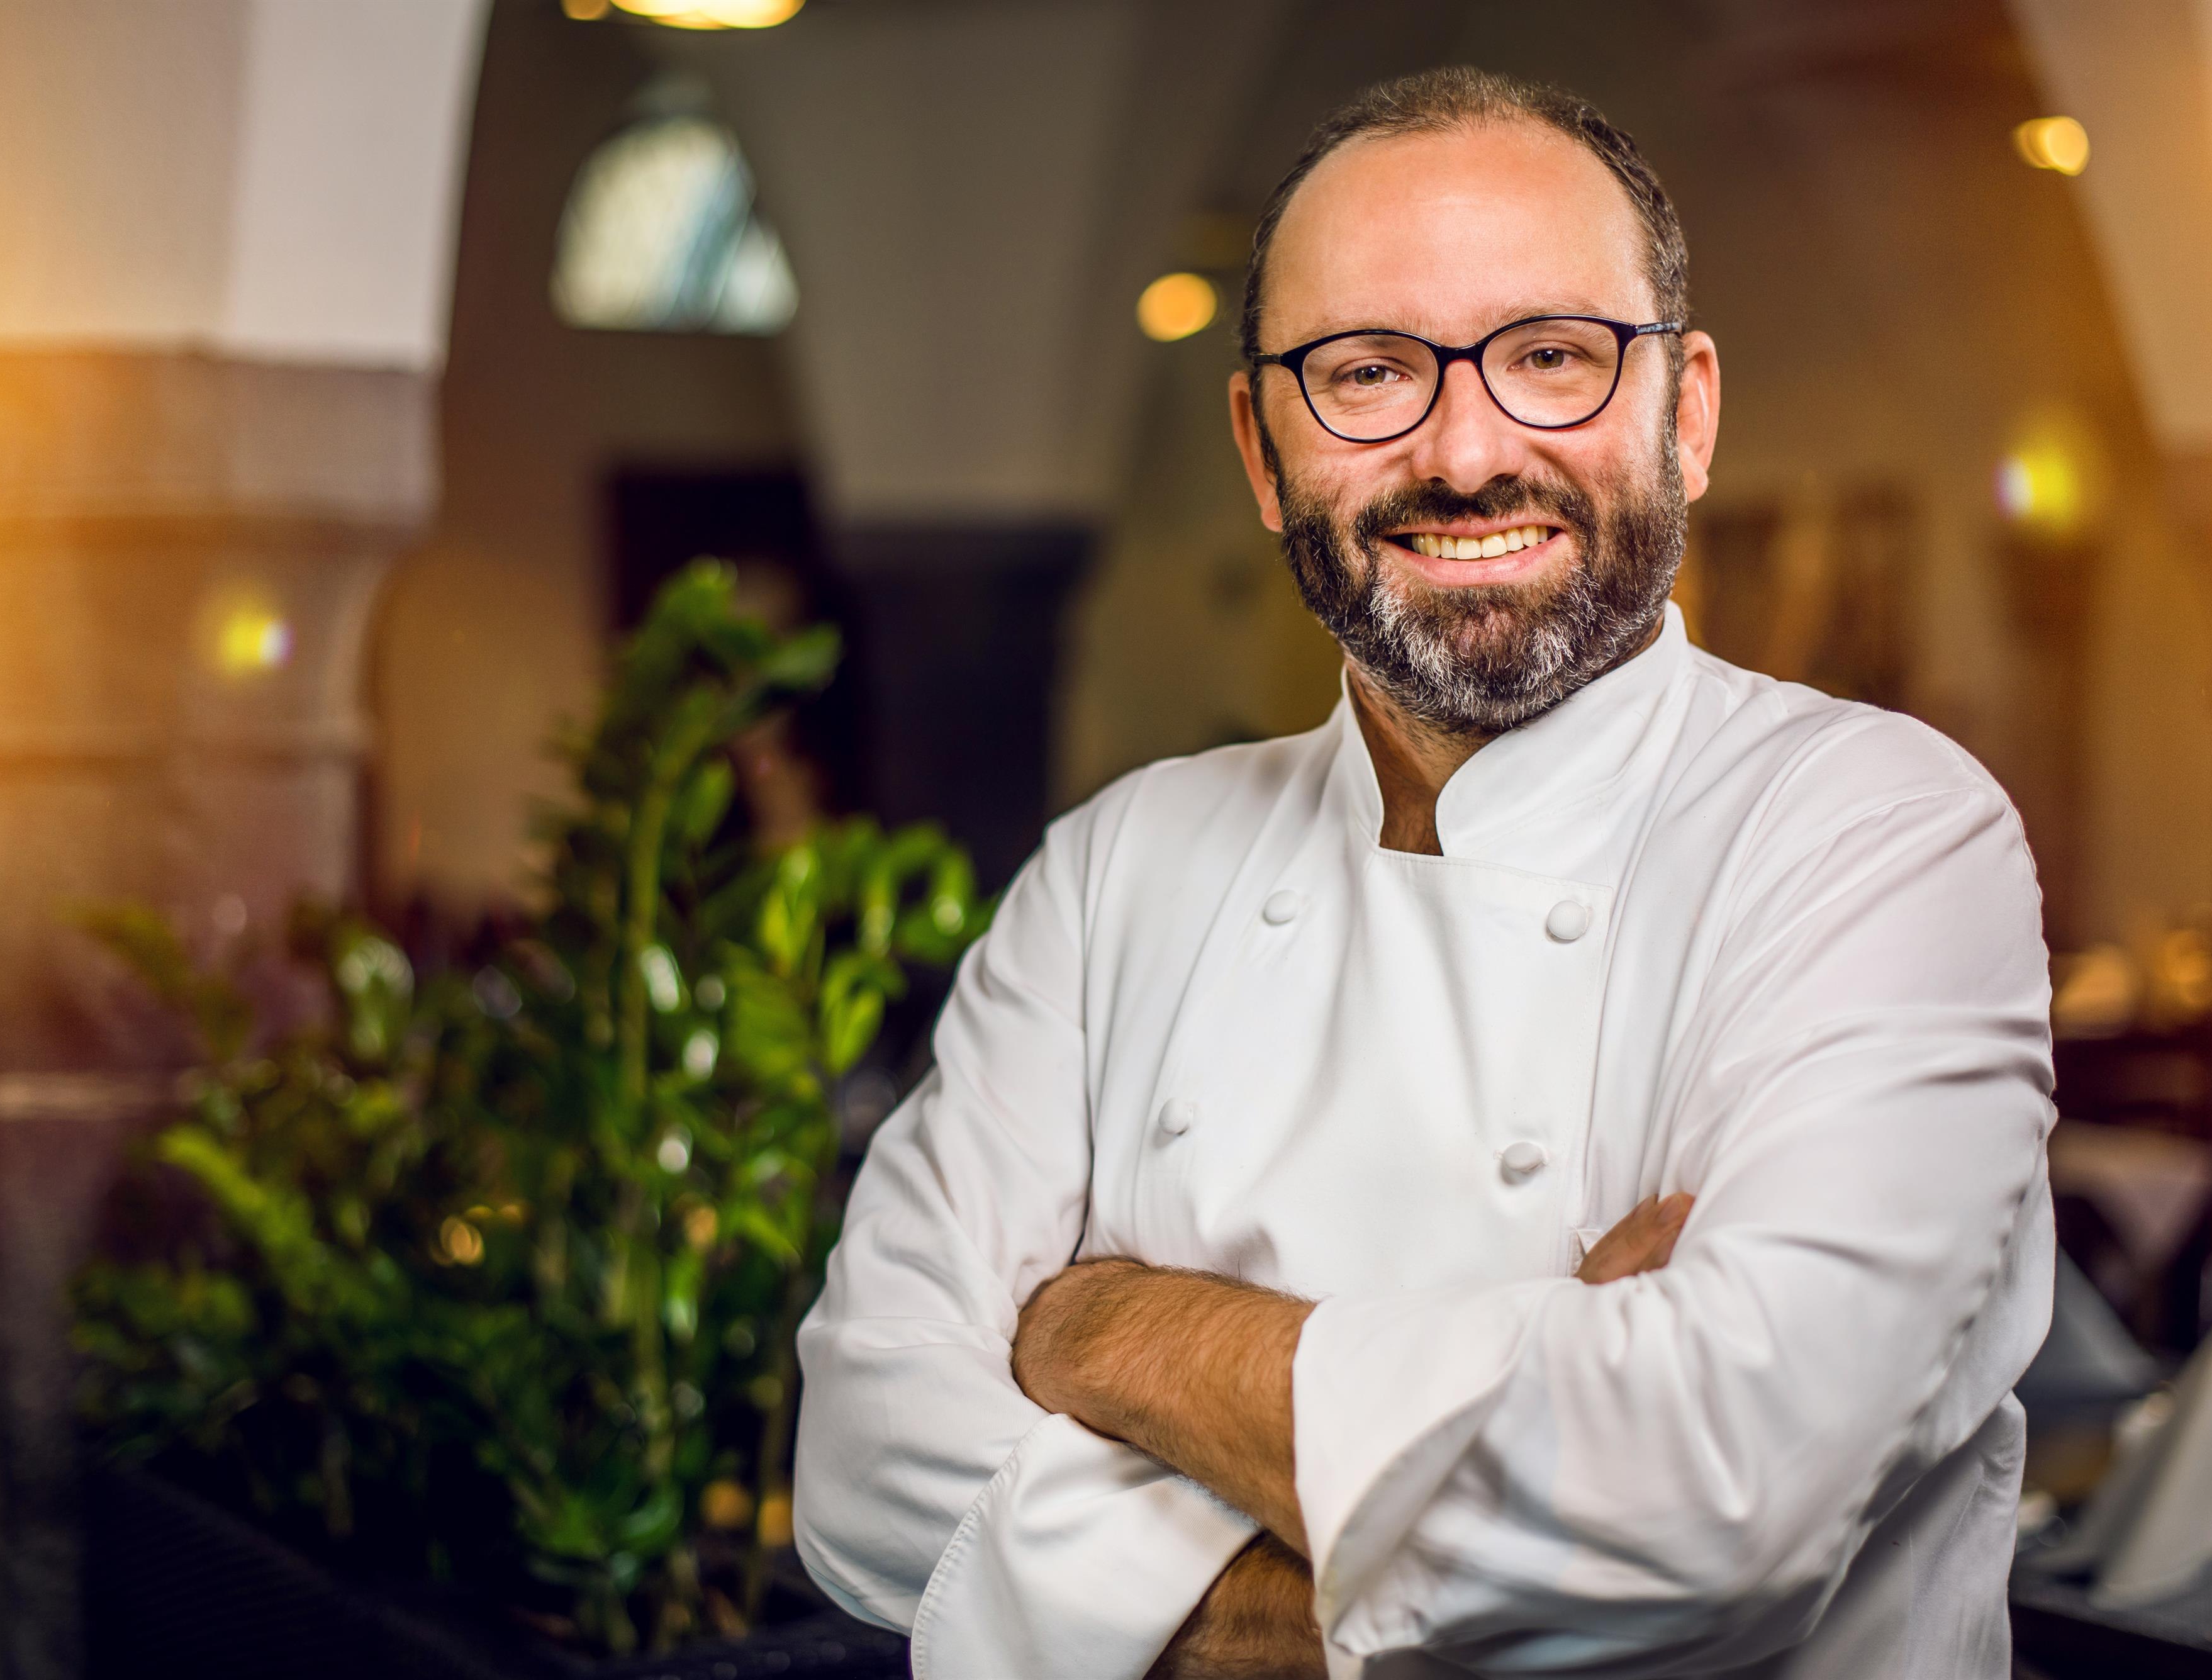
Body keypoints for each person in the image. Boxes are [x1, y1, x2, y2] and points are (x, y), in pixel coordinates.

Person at [793, 65, 2053, 1680]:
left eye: (1551, 356)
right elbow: (861, 1468)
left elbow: (1708, 1502)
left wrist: (1103, 1330)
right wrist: (1549, 1424)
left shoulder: (1877, 834)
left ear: (1685, 415)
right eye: (1366, 372)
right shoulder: (1118, 868)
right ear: (1261, 449)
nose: (1464, 452)